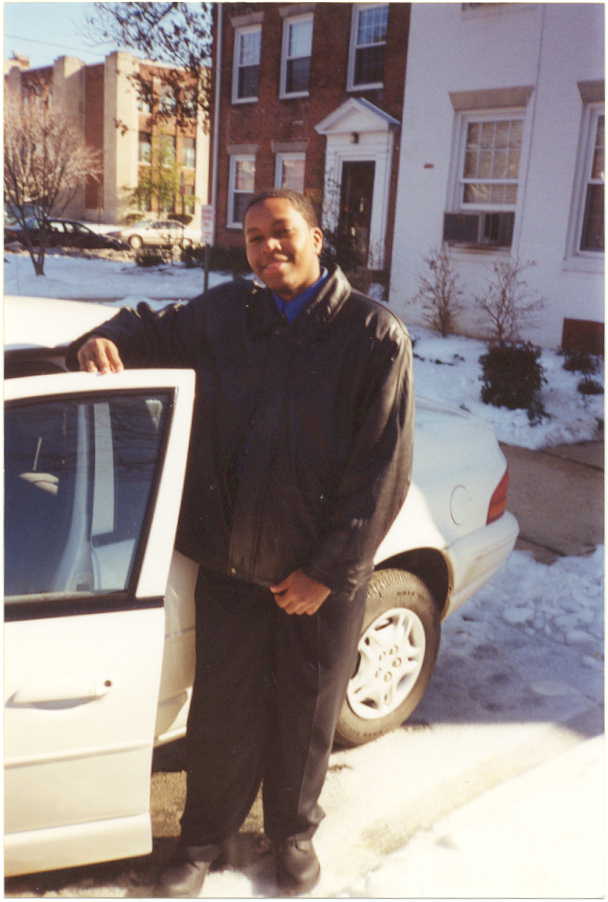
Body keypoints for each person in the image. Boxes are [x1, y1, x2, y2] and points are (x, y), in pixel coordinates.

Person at [67, 189, 414, 897]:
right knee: (222, 715)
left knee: (306, 715)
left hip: (317, 580)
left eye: (281, 231)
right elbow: (146, 326)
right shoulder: (227, 314)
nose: (266, 248)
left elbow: (382, 471)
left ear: (316, 237)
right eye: (253, 237)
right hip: (232, 567)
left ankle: (292, 835)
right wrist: (101, 338)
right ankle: (203, 841)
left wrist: (327, 573)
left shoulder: (373, 335)